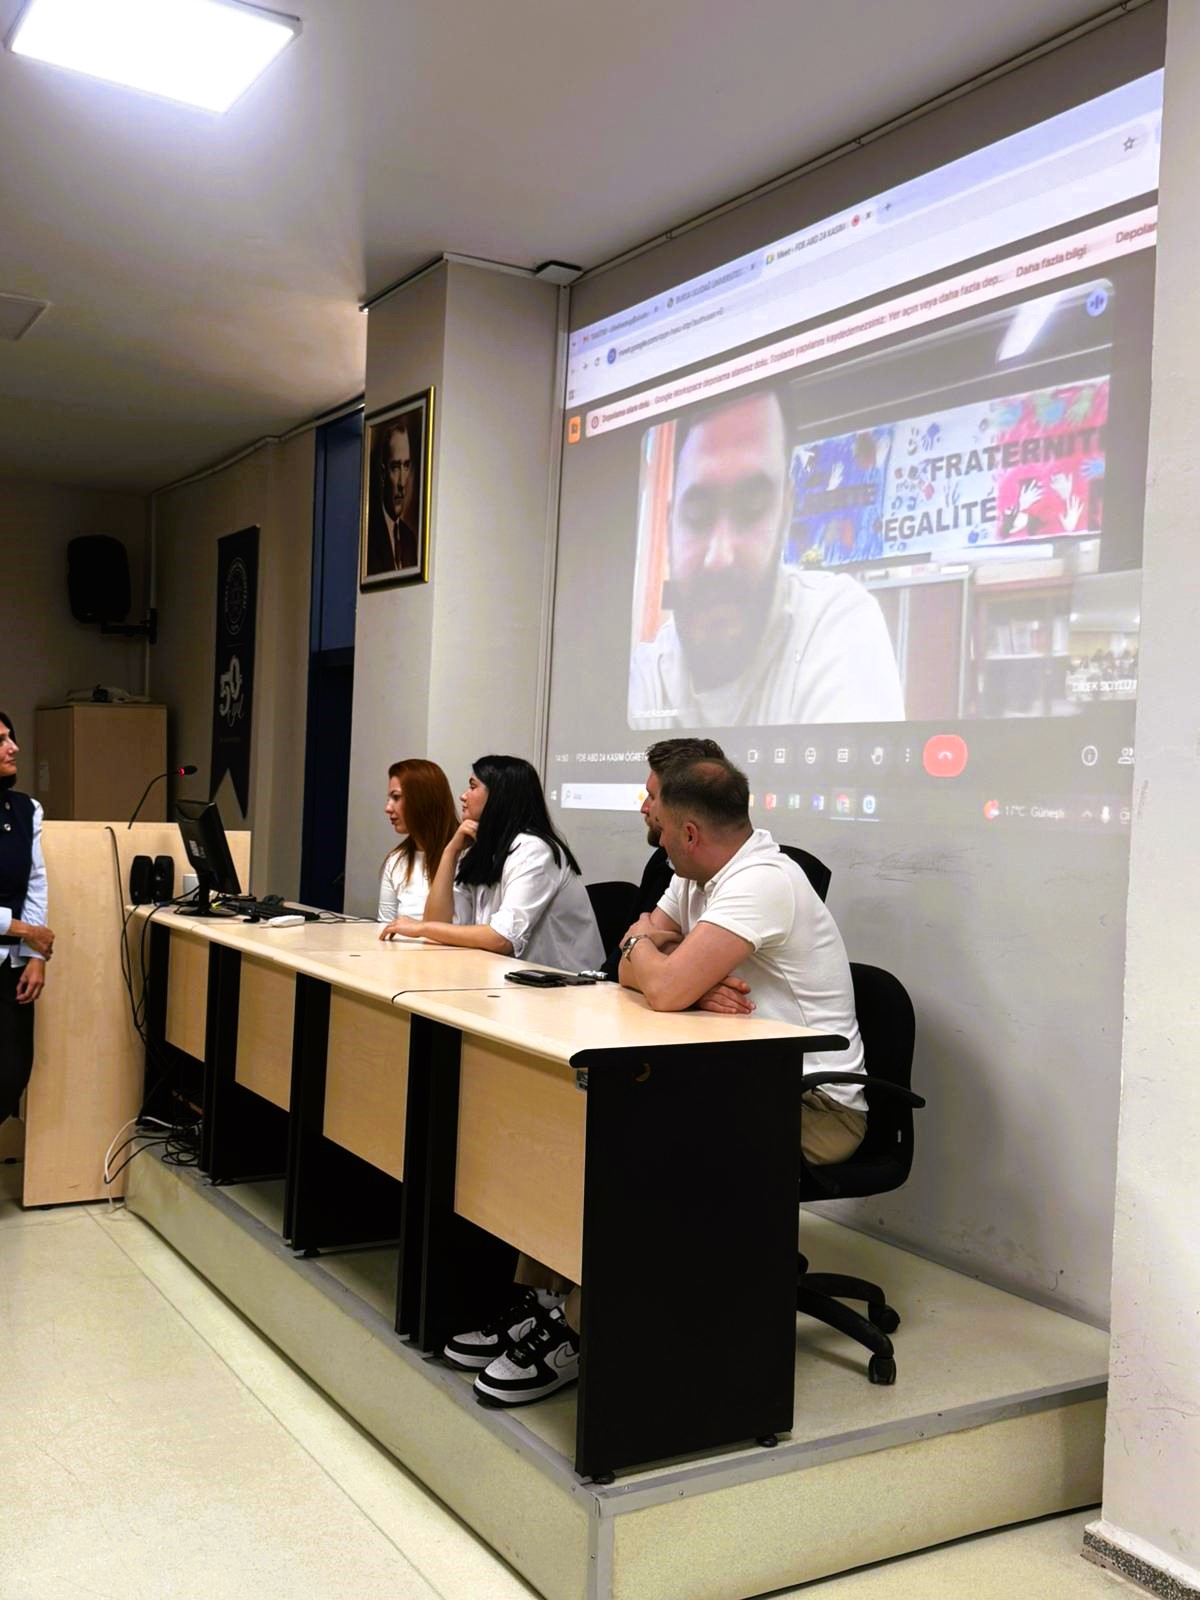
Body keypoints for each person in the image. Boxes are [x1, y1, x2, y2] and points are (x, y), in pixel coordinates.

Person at [618, 751, 866, 1166]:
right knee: (624, 1098)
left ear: (690, 835)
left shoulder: (762, 880)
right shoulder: (691, 876)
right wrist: (691, 987)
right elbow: (628, 971)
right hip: (745, 1074)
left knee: (641, 1120)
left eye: (664, 830)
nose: (660, 841)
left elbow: (658, 984)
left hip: (815, 1105)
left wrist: (646, 947)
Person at [628, 388, 905, 728]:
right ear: (670, 524)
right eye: (697, 514)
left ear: (785, 513)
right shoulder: (646, 678)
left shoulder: (836, 623)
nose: (719, 556)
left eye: (753, 508)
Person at [379, 754, 603, 971]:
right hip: (505, 978)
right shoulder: (481, 848)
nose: (463, 796)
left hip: (565, 985)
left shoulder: (533, 850)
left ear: (498, 795)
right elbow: (439, 923)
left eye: (472, 786)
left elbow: (502, 939)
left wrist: (421, 928)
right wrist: (450, 852)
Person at [600, 736, 725, 980]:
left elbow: (666, 979)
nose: (644, 808)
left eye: (652, 797)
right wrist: (645, 948)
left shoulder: (748, 879)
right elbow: (625, 962)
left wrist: (642, 947)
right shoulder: (668, 863)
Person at [0, 712, 54, 1125]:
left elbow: (35, 883)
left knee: (11, 1075)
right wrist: (23, 930)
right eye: (1, 740)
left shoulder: (25, 809)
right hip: (13, 937)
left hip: (11, 965)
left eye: (11, 737)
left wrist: (35, 955)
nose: (13, 747)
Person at [377, 758, 458, 924]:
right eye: (389, 798)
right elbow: (384, 926)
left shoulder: (465, 857)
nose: (388, 808)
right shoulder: (396, 860)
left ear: (423, 799)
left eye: (396, 797)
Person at [365, 414, 420, 575]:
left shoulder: (410, 539)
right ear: (383, 474)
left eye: (406, 466)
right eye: (395, 467)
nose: (402, 483)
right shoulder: (369, 537)